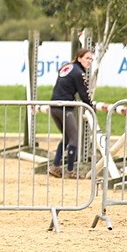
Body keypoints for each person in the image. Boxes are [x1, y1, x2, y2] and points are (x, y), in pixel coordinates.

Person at [48, 47, 94, 178]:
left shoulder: (67, 67)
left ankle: (55, 166)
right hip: (65, 107)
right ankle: (70, 171)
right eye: (87, 58)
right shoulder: (79, 72)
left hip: (54, 106)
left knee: (67, 138)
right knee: (74, 138)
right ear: (79, 58)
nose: (89, 61)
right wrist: (91, 107)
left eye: (91, 59)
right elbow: (83, 93)